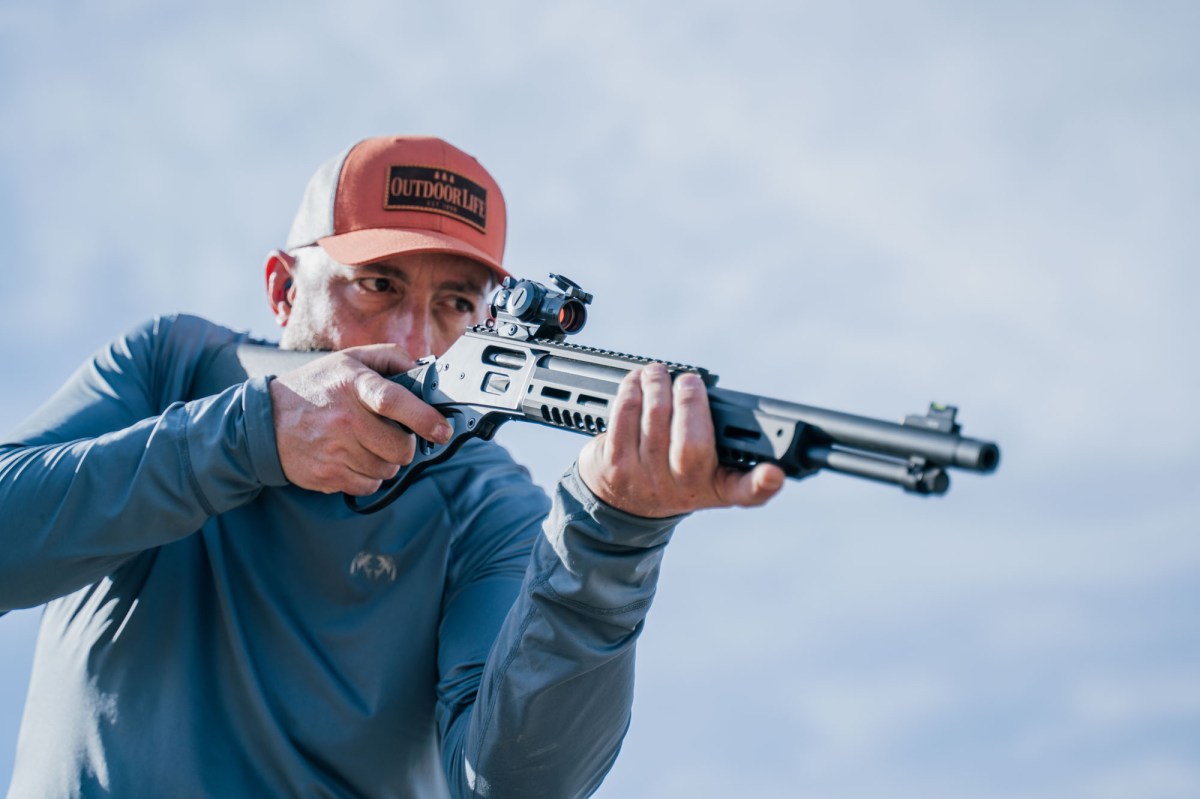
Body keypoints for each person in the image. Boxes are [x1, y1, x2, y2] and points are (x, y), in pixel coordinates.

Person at [0, 136, 784, 798]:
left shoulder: (487, 506)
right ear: (283, 289)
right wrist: (249, 437)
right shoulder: (172, 369)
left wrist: (612, 538)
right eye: (378, 285)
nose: (413, 342)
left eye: (456, 304)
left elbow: (513, 784)